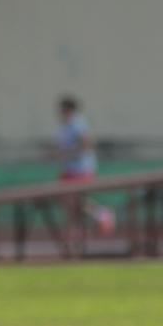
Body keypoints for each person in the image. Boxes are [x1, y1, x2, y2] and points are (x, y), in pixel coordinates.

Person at [56, 96, 114, 235]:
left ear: (67, 109)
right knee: (68, 200)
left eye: (61, 109)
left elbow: (87, 143)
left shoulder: (77, 123)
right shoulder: (67, 125)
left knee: (72, 199)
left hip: (81, 169)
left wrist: (69, 153)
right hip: (70, 169)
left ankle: (100, 214)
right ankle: (83, 223)